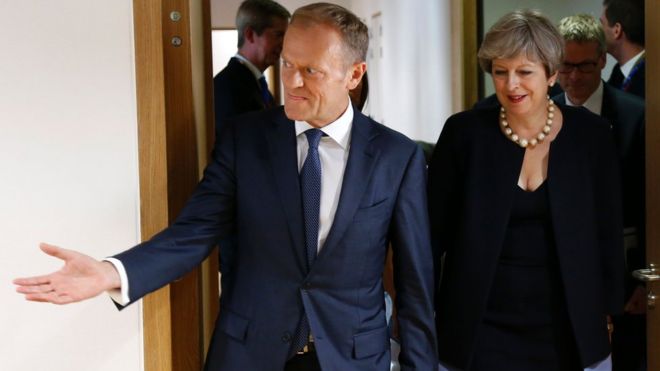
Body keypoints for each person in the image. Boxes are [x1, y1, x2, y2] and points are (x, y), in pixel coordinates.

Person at [14, 3, 438, 371]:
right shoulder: (245, 139)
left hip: (352, 357)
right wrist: (110, 273)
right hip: (250, 354)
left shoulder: (396, 157)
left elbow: (414, 285)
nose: (290, 81)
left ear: (353, 74)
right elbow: (192, 233)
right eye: (287, 63)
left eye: (310, 70)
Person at [428, 10, 625, 371]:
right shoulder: (464, 134)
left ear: (552, 74)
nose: (510, 85)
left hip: (570, 328)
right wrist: (419, 314)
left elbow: (607, 233)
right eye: (500, 72)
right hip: (477, 329)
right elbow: (429, 237)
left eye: (524, 72)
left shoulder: (592, 136)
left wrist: (608, 313)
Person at [553, 15, 647, 370]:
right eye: (565, 67)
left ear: (603, 61)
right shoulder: (540, 111)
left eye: (585, 67)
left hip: (619, 272)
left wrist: (640, 277)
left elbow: (645, 204)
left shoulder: (636, 117)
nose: (574, 77)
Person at [213, 0, 290, 136]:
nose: (283, 43)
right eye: (278, 35)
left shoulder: (256, 84)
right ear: (249, 34)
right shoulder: (227, 87)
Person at [600, 0, 645, 98]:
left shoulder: (652, 75)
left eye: (602, 24)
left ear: (617, 30)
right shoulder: (618, 73)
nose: (598, 31)